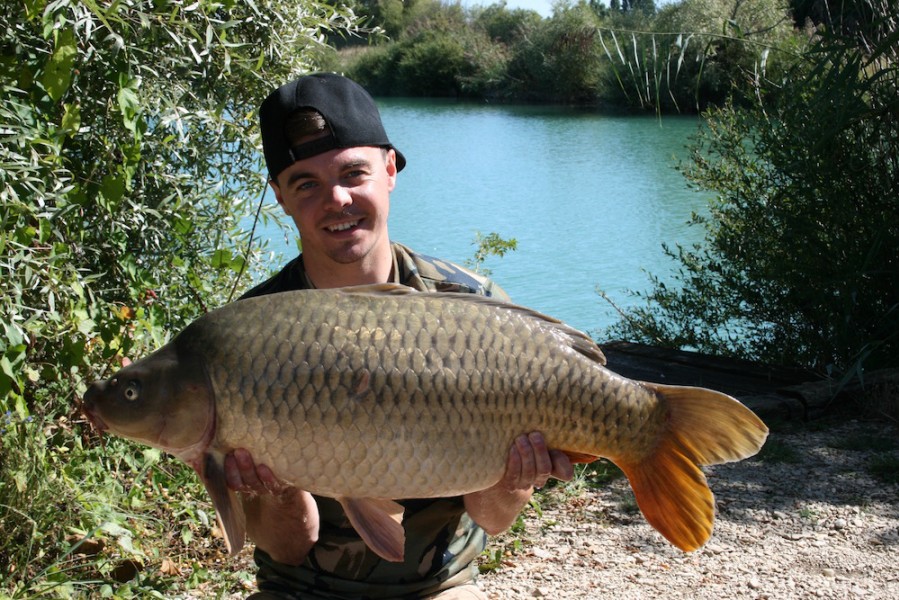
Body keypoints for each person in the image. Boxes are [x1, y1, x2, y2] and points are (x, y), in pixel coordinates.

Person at [223, 72, 573, 599]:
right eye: (306, 184)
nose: (336, 199)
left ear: (390, 169)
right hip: (299, 590)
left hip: (438, 587)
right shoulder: (253, 333)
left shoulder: (472, 310)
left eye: (353, 173)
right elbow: (288, 546)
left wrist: (515, 474)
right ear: (280, 196)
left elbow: (492, 518)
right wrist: (268, 491)